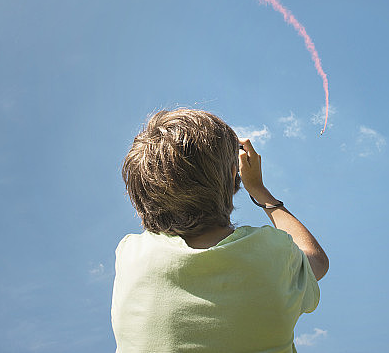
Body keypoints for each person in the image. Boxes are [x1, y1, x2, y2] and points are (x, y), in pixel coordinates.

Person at [112, 108, 329, 353]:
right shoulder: (271, 256)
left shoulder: (130, 257)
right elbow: (317, 261)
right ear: (234, 175)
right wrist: (258, 189)